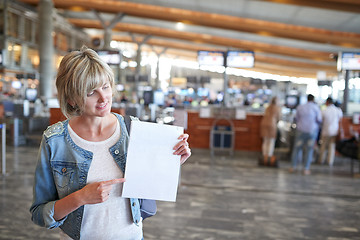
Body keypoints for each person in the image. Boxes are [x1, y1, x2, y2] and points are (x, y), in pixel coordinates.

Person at [29, 46, 191, 240]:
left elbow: (147, 185)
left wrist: (169, 162)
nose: (103, 98)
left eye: (106, 87)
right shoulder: (55, 141)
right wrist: (80, 197)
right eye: (91, 92)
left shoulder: (133, 129)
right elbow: (39, 213)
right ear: (72, 99)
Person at [289, 94, 322, 175]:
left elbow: (295, 118)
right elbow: (319, 120)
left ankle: (293, 167)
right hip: (311, 131)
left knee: (297, 149)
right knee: (309, 150)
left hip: (301, 130)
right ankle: (306, 168)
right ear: (313, 99)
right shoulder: (316, 108)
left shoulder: (300, 107)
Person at [318, 97, 343, 166]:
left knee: (323, 146)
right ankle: (330, 161)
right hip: (334, 131)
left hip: (325, 131)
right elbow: (340, 120)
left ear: (327, 102)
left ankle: (321, 160)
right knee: (331, 146)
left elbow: (320, 120)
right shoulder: (338, 110)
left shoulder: (324, 110)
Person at [259, 96, 281, 166]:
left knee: (265, 141)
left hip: (264, 124)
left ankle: (264, 156)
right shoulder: (277, 108)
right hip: (272, 125)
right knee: (271, 142)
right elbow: (279, 118)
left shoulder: (268, 107)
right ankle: (268, 157)